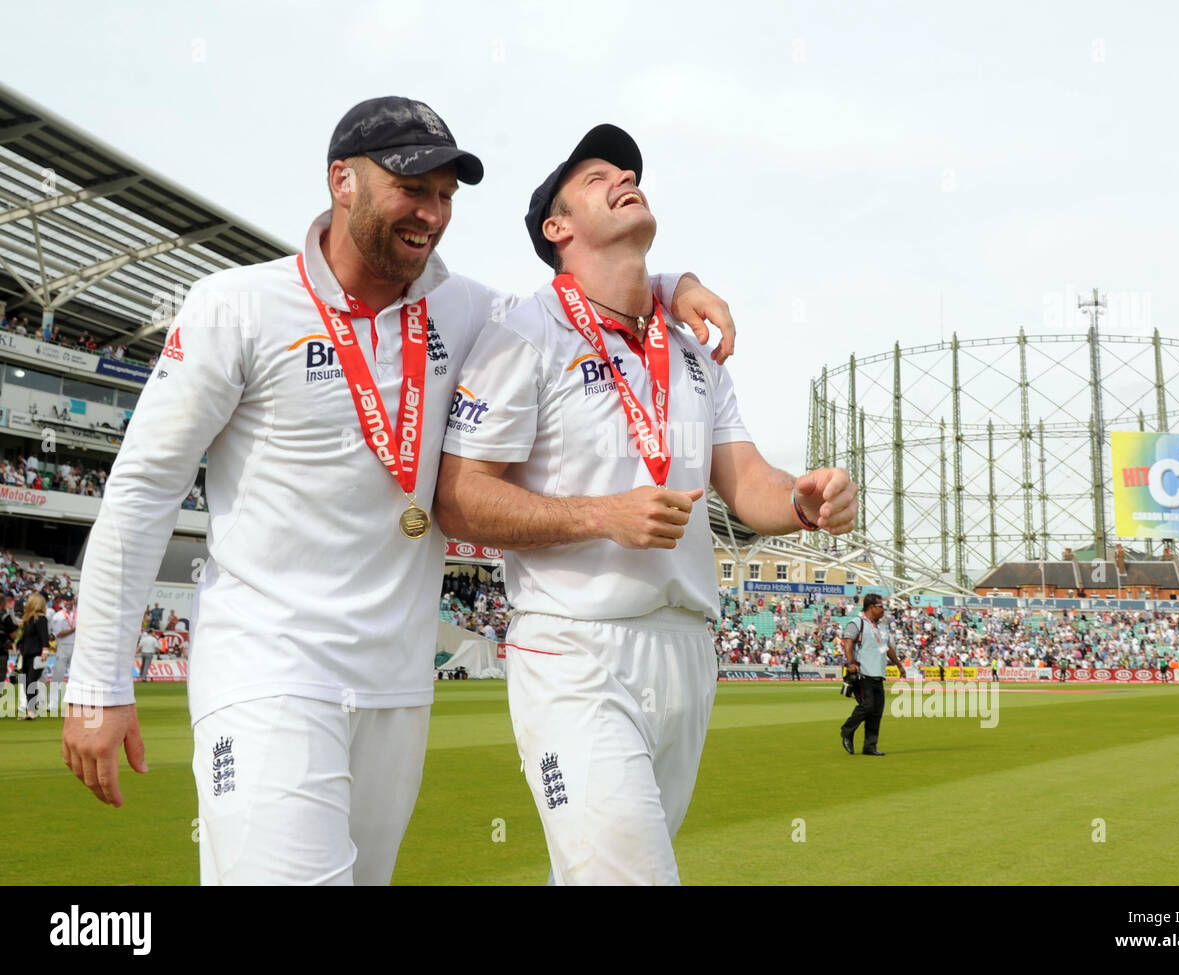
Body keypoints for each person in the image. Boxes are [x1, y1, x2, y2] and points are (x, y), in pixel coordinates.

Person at [61, 97, 736, 886]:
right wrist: (98, 682)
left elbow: (585, 298)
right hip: (267, 665)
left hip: (398, 684)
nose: (432, 212)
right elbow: (143, 490)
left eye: (447, 194)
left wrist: (668, 281)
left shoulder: (474, 310)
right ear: (341, 181)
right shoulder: (237, 305)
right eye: (412, 186)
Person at [434, 123, 857, 885]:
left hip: (687, 651)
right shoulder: (524, 334)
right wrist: (603, 516)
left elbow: (744, 478)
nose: (624, 176)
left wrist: (800, 498)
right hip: (575, 649)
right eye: (596, 176)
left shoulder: (692, 349)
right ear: (557, 228)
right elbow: (458, 499)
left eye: (627, 169)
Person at [839, 594, 904, 756]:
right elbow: (848, 642)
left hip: (878, 673)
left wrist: (898, 665)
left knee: (876, 711)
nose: (884, 610)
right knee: (867, 706)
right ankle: (847, 730)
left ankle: (870, 745)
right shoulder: (857, 623)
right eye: (881, 606)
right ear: (871, 607)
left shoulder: (882, 628)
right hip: (862, 673)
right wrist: (850, 662)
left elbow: (887, 648)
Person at [16, 594, 51, 719]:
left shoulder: (40, 619)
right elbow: (23, 639)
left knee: (31, 681)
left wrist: (45, 651)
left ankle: (31, 711)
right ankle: (31, 709)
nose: (26, 603)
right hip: (25, 655)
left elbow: (44, 637)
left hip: (36, 656)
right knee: (25, 682)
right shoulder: (27, 620)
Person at [49, 596, 76, 684]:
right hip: (63, 647)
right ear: (62, 601)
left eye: (70, 600)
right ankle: (53, 696)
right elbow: (59, 634)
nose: (69, 602)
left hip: (76, 646)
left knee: (75, 675)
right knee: (58, 674)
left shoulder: (77, 614)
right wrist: (74, 629)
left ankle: (73, 696)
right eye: (66, 600)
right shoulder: (58, 615)